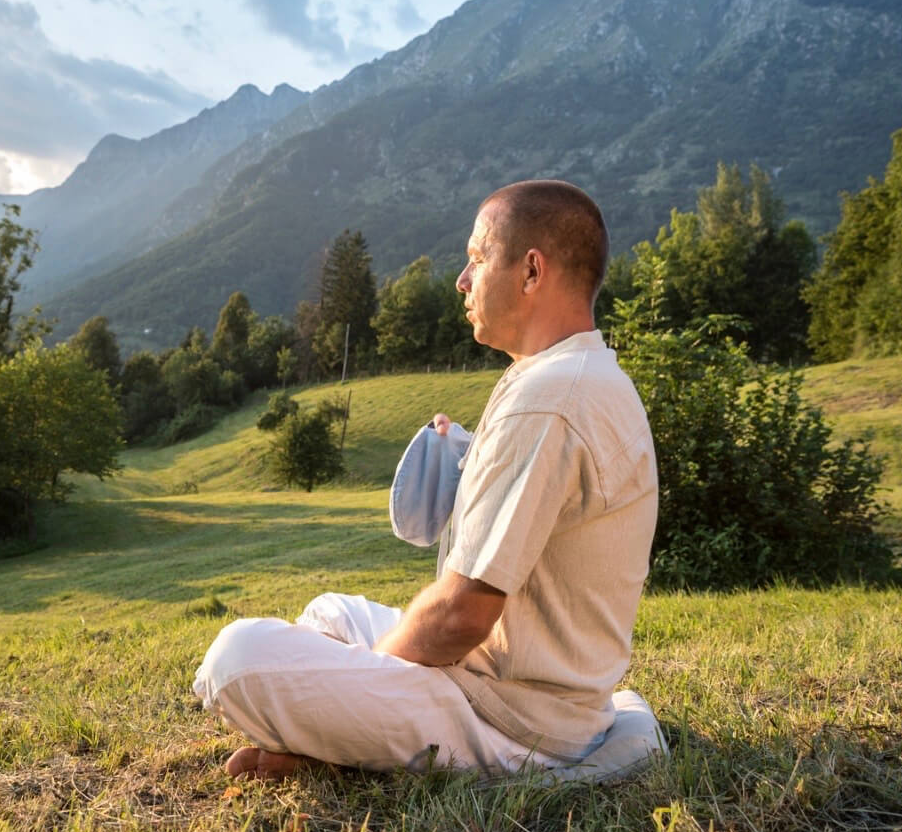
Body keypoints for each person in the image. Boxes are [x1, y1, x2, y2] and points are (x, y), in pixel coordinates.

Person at [193, 179, 658, 779]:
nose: (462, 281)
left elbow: (461, 616)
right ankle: (332, 737)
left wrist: (377, 673)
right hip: (524, 685)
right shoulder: (577, 373)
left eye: (476, 258)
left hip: (515, 718)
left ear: (532, 271)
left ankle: (332, 745)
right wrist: (469, 452)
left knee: (238, 658)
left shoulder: (549, 400)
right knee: (330, 612)